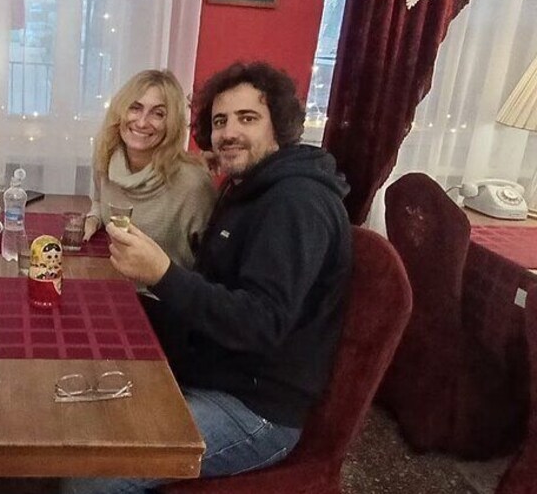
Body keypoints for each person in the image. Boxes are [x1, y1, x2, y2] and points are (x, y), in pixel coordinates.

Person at [63, 62, 353, 493]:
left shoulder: (296, 204)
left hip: (256, 409)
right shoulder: (250, 188)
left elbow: (259, 323)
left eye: (247, 118)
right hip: (213, 367)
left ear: (280, 124)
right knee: (78, 373)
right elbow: (215, 291)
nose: (229, 133)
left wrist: (161, 274)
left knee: (92, 475)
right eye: (220, 122)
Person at [84, 69, 215, 272]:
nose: (142, 122)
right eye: (135, 108)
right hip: (113, 278)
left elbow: (212, 266)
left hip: (164, 291)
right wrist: (94, 218)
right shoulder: (106, 158)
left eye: (158, 114)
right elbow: (100, 201)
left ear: (171, 124)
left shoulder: (193, 184)